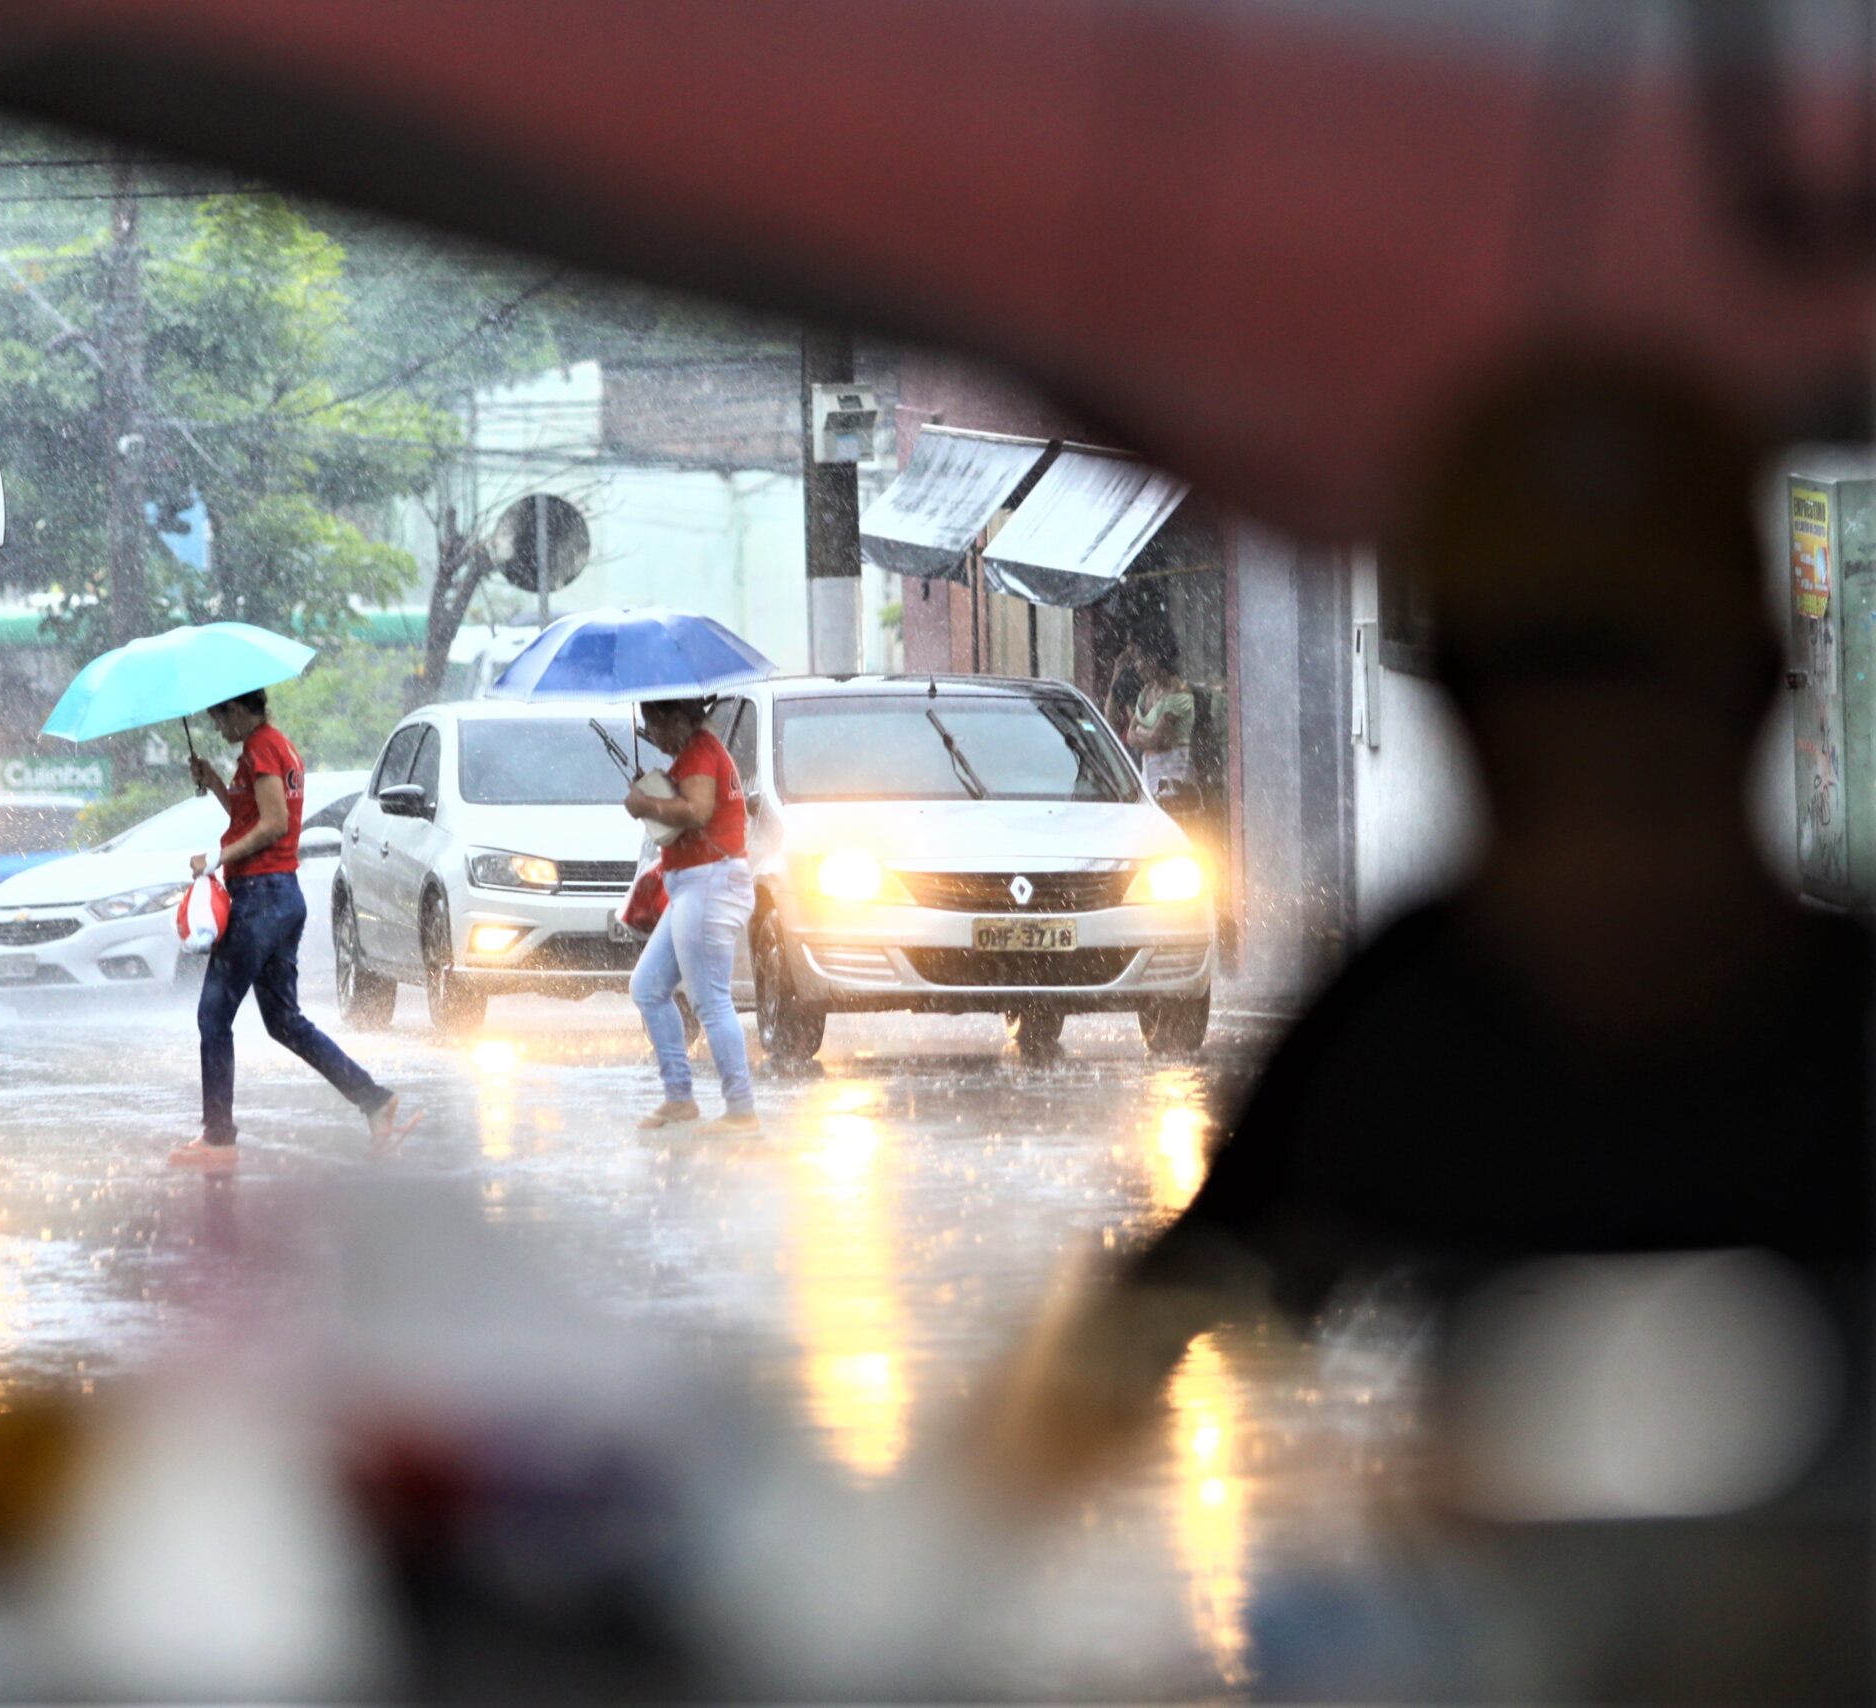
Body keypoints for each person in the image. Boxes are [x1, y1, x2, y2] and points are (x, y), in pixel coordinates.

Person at [970, 355, 1870, 1695]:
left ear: (1743, 690)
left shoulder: (1834, 1026)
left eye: (1632, 689)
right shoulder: (1401, 1027)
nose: (1593, 761)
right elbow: (1131, 1352)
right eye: (1536, 689)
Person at [175, 690, 416, 1167]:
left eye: (220, 719)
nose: (219, 730)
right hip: (281, 895)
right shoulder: (275, 747)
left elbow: (275, 824)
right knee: (285, 1022)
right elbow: (251, 816)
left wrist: (215, 859)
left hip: (261, 898)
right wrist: (218, 783)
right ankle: (374, 1100)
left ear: (239, 710)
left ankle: (218, 1138)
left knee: (213, 1015)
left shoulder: (261, 747)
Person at [622, 697, 757, 1135]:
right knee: (647, 986)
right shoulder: (694, 754)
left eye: (654, 724)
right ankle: (679, 1097)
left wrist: (647, 806)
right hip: (692, 886)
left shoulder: (700, 750)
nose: (652, 736)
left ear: (676, 717)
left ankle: (741, 1109)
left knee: (711, 1000)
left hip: (709, 885)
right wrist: (657, 790)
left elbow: (697, 810)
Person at [1105, 631, 1197, 794]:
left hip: (1172, 777)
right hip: (1147, 774)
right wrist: (1145, 735)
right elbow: (1131, 737)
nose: (1137, 666)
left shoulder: (1179, 694)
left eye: (1141, 659)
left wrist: (1140, 734)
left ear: (1155, 660)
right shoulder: (1146, 691)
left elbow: (1157, 739)